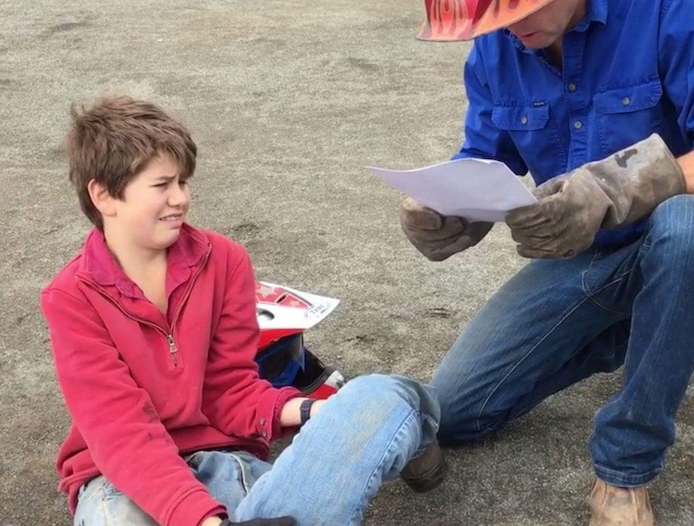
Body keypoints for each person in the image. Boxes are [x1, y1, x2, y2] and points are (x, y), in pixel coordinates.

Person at [400, 0, 694, 524]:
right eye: (493, 14)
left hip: (692, 244)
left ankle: (626, 467)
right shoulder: (499, 39)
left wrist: (617, 186)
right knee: (452, 414)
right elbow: (484, 159)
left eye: (522, 4)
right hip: (588, 258)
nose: (507, 26)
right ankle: (638, 328)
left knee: (690, 227)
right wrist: (448, 211)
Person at [41, 96, 445, 526]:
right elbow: (120, 432)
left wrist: (314, 412)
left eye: (183, 182)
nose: (181, 198)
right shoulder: (71, 297)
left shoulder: (224, 260)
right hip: (119, 482)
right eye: (162, 185)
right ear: (104, 195)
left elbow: (229, 391)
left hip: (224, 460)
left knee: (377, 396)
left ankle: (412, 437)